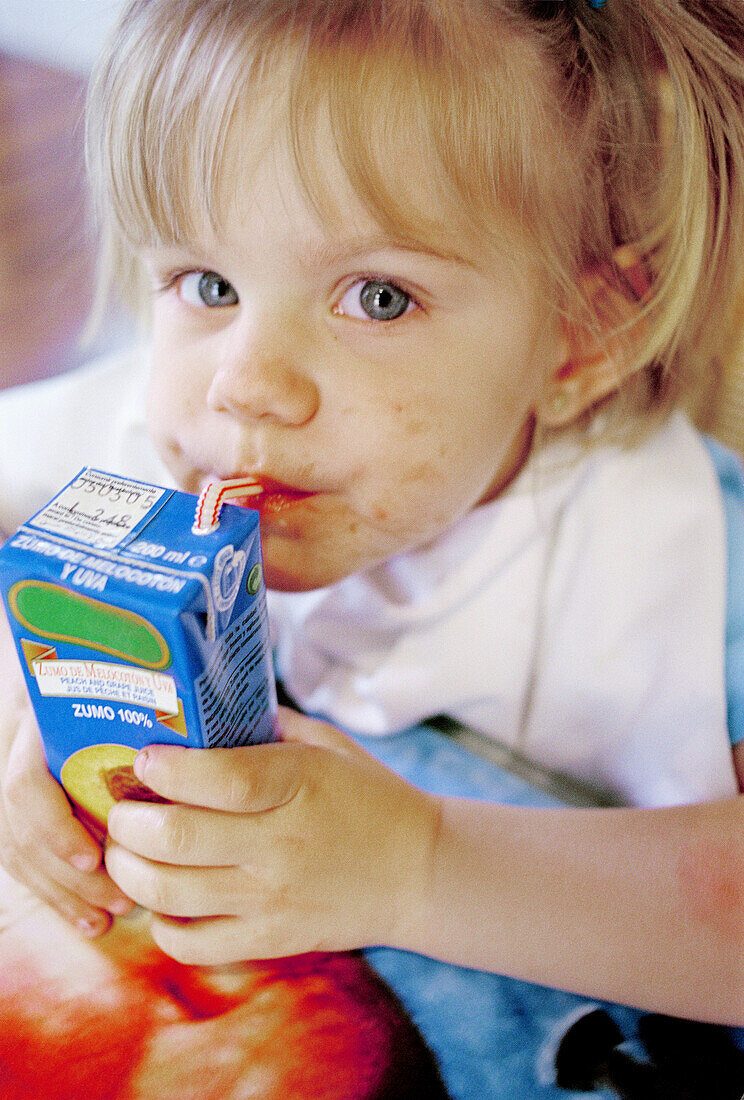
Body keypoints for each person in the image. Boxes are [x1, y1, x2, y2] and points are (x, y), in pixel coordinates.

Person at [1, 0, 744, 1025]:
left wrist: (417, 868)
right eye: (207, 282)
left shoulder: (694, 578)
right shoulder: (162, 442)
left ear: (579, 341)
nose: (245, 383)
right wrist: (31, 706)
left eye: (379, 298)